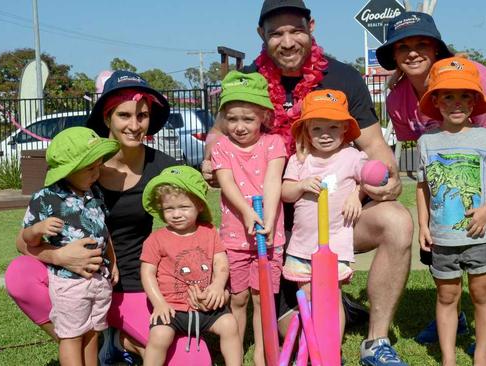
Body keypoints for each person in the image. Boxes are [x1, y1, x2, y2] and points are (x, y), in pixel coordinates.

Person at [203, 2, 414, 365]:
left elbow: (379, 152)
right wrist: (210, 160)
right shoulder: (249, 81)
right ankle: (327, 296)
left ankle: (376, 341)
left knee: (397, 220)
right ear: (261, 36)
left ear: (311, 27)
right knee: (301, 331)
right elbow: (217, 135)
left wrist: (384, 182)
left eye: (295, 30)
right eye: (276, 33)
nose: (287, 41)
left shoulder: (343, 79)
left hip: (336, 219)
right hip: (274, 228)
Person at [5, 70, 212, 365]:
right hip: (79, 281)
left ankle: (119, 340)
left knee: (194, 360)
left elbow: (196, 227)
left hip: (137, 285)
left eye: (142, 115)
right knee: (20, 274)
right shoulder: (81, 168)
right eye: (124, 115)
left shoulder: (164, 167)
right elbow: (22, 242)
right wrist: (60, 256)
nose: (134, 125)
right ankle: (80, 338)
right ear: (107, 119)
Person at [377, 11, 486, 351]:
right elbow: (419, 155)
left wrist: (485, 205)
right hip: (446, 165)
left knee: (477, 239)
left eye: (422, 45)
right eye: (403, 47)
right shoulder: (397, 98)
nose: (413, 53)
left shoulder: (472, 76)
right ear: (394, 57)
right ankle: (454, 312)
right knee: (446, 234)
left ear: (436, 50)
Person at [415, 57, 486, 366]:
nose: (457, 102)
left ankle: (481, 354)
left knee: (482, 294)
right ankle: (448, 358)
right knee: (446, 296)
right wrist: (423, 225)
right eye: (448, 95)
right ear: (436, 101)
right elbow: (422, 186)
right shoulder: (426, 142)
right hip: (443, 238)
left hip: (480, 236)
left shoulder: (485, 139)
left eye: (464, 95)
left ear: (474, 101)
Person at [21, 127, 120, 365]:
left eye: (98, 166)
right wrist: (38, 230)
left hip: (99, 280)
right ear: (69, 170)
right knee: (71, 336)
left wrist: (113, 262)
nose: (97, 173)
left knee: (92, 332)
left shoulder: (94, 192)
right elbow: (26, 238)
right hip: (69, 283)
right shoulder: (45, 198)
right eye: (90, 168)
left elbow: (103, 231)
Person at [210, 70, 287, 365]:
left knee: (262, 297)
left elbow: (273, 181)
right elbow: (226, 183)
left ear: (263, 118)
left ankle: (262, 353)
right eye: (232, 119)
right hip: (235, 236)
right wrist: (246, 212)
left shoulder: (274, 144)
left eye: (248, 119)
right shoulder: (222, 148)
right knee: (238, 298)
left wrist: (266, 218)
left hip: (268, 233)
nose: (239, 127)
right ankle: (236, 354)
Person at [281, 89, 367, 341]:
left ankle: (331, 349)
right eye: (317, 129)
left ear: (344, 129)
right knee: (307, 299)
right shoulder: (299, 159)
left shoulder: (351, 156)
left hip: (335, 243)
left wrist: (357, 195)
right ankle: (314, 347)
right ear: (306, 131)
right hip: (301, 245)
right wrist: (300, 186)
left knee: (331, 298)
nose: (325, 135)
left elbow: (371, 177)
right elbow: (286, 192)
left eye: (332, 127)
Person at [140, 166, 242, 366]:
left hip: (207, 306)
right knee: (159, 336)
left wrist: (218, 285)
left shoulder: (209, 232)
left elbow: (220, 261)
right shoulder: (156, 239)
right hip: (172, 309)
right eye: (169, 209)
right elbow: (148, 273)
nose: (176, 214)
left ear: (200, 206)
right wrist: (159, 303)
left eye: (184, 207)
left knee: (230, 325)